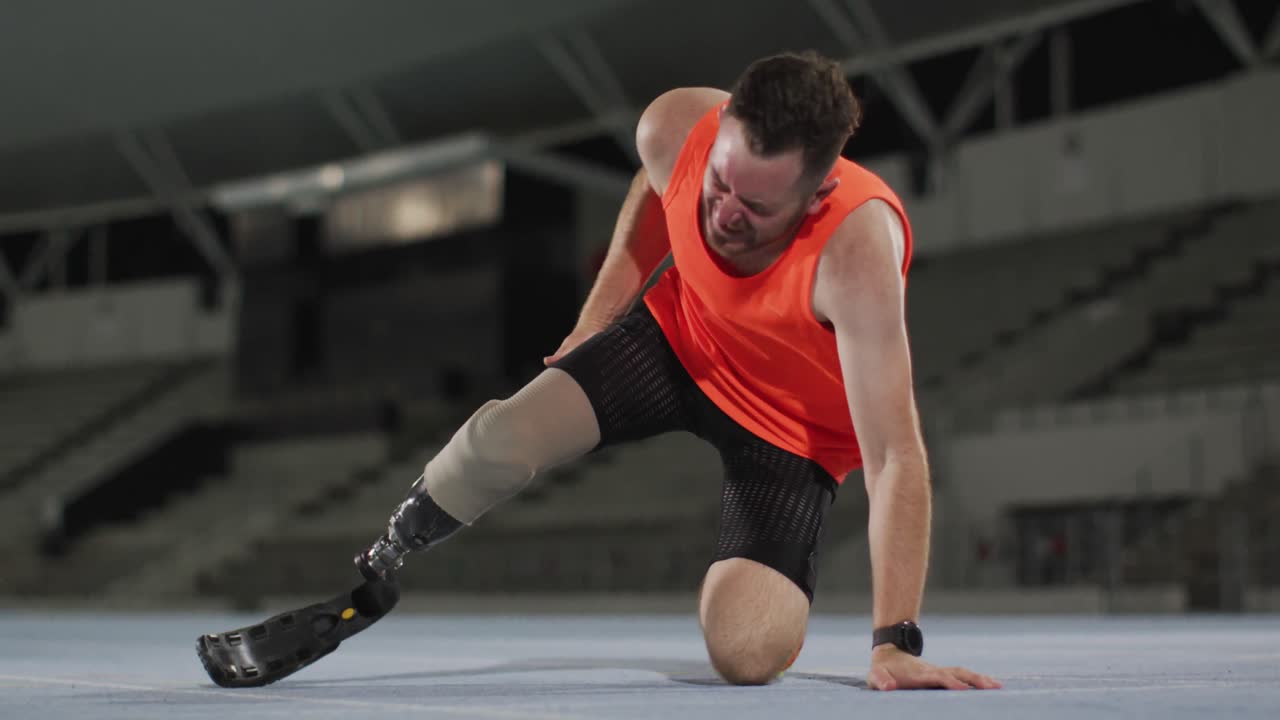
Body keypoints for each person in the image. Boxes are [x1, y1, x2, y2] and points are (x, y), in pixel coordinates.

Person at [355, 50, 1001, 691]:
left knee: (746, 654)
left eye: (756, 208)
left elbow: (895, 457)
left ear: (816, 198)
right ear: (717, 134)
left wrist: (895, 642)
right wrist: (597, 319)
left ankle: (765, 583)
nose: (724, 214)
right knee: (491, 443)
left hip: (791, 436)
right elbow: (655, 183)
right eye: (720, 183)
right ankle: (387, 553)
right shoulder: (675, 126)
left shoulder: (857, 253)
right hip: (678, 342)